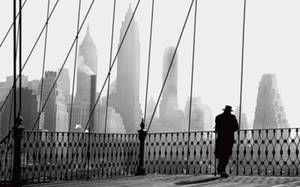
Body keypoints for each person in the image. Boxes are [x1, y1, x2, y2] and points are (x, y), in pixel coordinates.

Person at [215, 105, 239, 178]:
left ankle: (220, 169)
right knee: (226, 154)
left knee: (221, 153)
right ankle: (222, 170)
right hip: (229, 138)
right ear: (229, 111)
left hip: (221, 138)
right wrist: (229, 130)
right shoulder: (232, 117)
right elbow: (236, 127)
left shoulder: (218, 117)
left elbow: (217, 127)